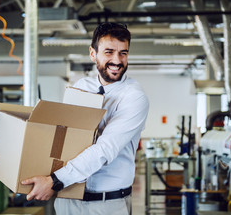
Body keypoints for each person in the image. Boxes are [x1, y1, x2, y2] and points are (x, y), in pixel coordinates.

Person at [21, 22, 149, 214]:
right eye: (109, 52)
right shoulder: (81, 86)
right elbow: (62, 138)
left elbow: (104, 149)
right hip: (67, 198)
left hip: (106, 204)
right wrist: (21, 156)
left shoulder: (134, 97)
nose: (117, 60)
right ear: (92, 53)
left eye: (123, 53)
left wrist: (54, 181)